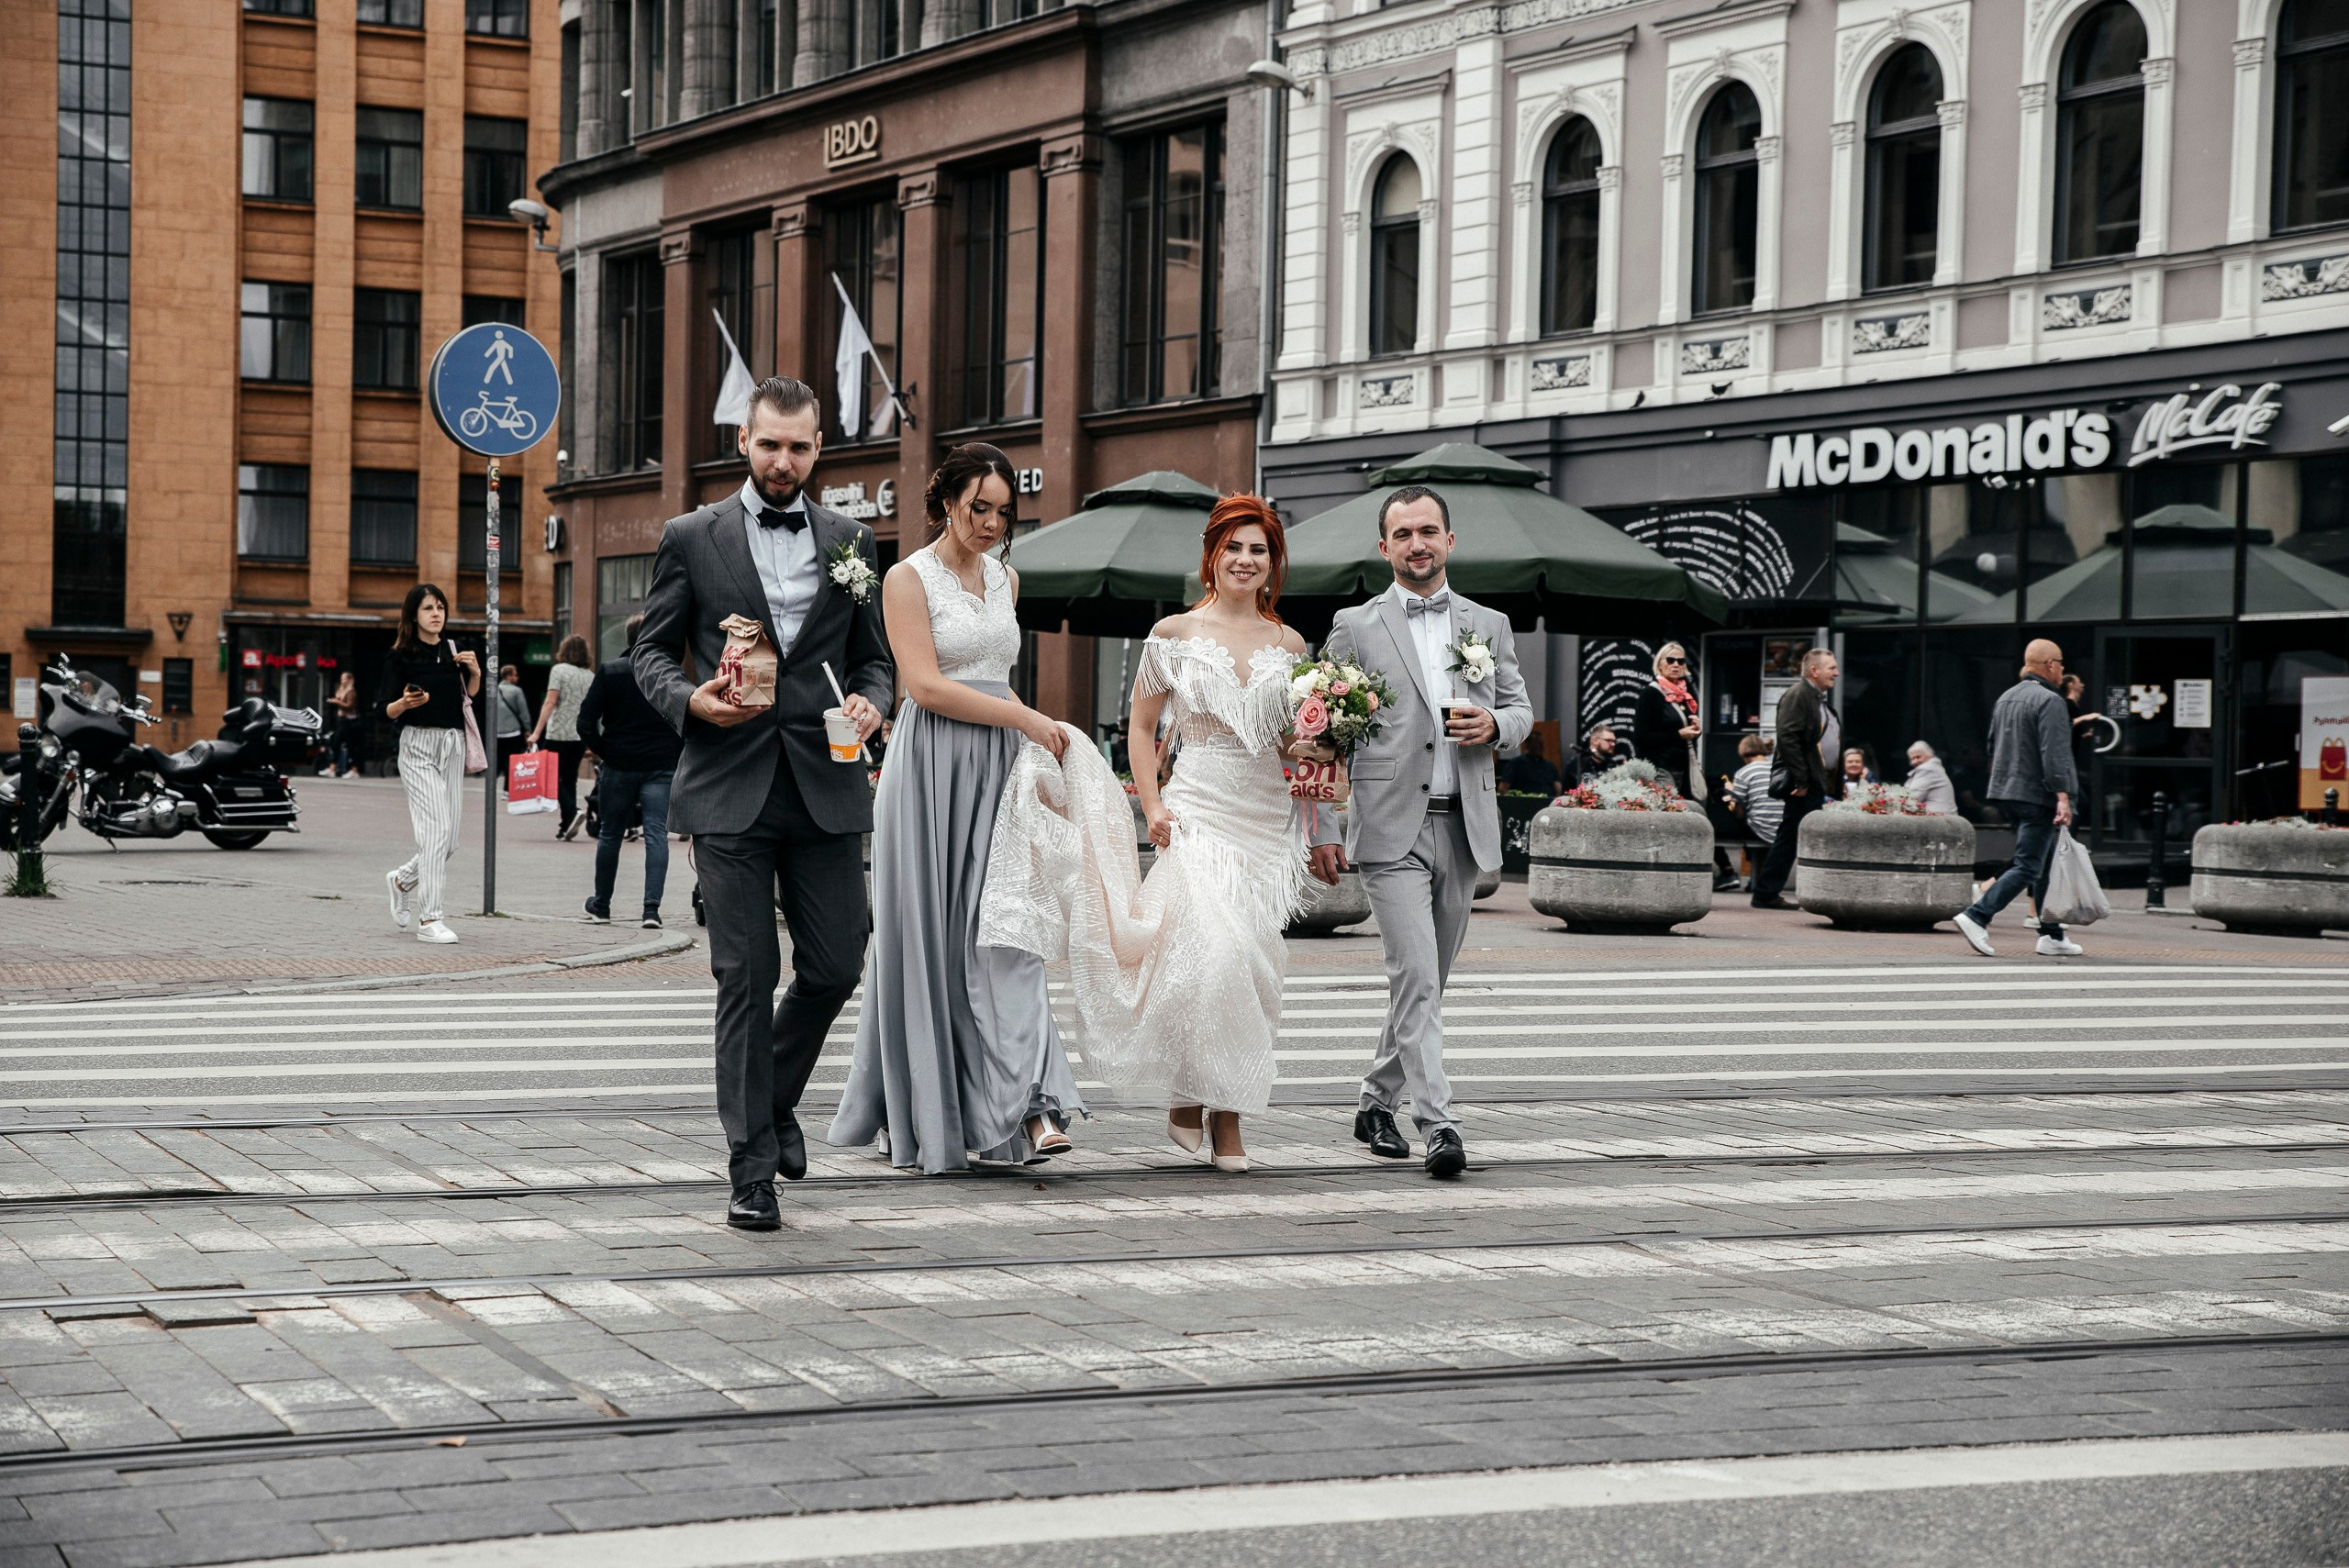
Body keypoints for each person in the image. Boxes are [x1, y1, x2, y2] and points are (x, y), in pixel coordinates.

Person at [982, 494, 1310, 1174]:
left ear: (1273, 562)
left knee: (1251, 967)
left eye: (1259, 548)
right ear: (1212, 556)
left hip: (1264, 817)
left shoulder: (1291, 645)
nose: (1246, 559)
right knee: (1214, 955)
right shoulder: (1172, 634)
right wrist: (1151, 804)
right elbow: (1140, 728)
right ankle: (1228, 1122)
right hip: (1198, 808)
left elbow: (1286, 737)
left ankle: (1193, 1094)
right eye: (1234, 546)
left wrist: (1320, 742)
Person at [632, 376, 891, 1233]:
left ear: (820, 449)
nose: (785, 461)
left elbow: (873, 658)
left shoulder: (854, 540)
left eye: (801, 447)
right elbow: (650, 654)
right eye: (771, 444)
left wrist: (871, 700)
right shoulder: (690, 537)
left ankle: (774, 1098)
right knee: (746, 976)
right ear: (744, 441)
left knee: (835, 966)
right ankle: (750, 1170)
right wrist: (689, 701)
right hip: (727, 787)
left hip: (826, 783)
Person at [829, 444, 1086, 1173]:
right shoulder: (907, 578)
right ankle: (920, 1106)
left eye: (1003, 512)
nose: (991, 522)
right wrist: (1027, 719)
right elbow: (925, 685)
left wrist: (1030, 737)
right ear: (946, 501)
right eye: (980, 508)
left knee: (1010, 929)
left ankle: (1029, 1105)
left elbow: (999, 676)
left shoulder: (1008, 576)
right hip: (935, 762)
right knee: (932, 938)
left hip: (1001, 767)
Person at [1308, 485, 1532, 1178]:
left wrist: (1497, 725)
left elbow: (1520, 706)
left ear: (1450, 540)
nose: (1417, 544)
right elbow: (1318, 731)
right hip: (1388, 828)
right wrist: (1319, 823)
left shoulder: (1488, 624)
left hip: (1465, 825)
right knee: (1414, 972)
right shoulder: (1355, 624)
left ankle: (1376, 1099)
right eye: (1403, 534)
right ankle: (1439, 1121)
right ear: (1384, 548)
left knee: (1428, 981)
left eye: (1428, 530)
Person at [1954, 639, 2083, 959]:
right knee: (2029, 866)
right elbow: (2054, 754)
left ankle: (2051, 934)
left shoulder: (2006, 698)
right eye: (2061, 663)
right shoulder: (2051, 701)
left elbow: (1991, 746)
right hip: (2038, 795)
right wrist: (2062, 796)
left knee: (2045, 862)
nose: (2063, 669)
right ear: (2051, 665)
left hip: (2006, 791)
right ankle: (1977, 915)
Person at [378, 584, 479, 945]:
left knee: (449, 841)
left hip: (451, 745)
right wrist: (404, 703)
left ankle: (402, 880)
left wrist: (475, 673)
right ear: (413, 615)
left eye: (440, 607)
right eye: (427, 609)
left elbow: (466, 699)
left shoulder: (454, 650)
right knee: (435, 832)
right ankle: (430, 918)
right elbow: (382, 710)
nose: (436, 614)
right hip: (418, 745)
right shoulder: (400, 656)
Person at [578, 614, 681, 930]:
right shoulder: (669, 675)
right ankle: (651, 910)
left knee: (610, 833)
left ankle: (602, 905)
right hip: (661, 766)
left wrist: (605, 750)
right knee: (656, 835)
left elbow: (585, 721)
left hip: (619, 764)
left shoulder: (610, 672)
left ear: (627, 639)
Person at [1751, 646, 1840, 910]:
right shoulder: (1799, 694)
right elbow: (1788, 737)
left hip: (1814, 781)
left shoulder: (1815, 697)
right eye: (1831, 667)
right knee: (1793, 835)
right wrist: (1801, 780)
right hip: (1805, 783)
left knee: (1792, 835)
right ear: (1814, 670)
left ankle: (1767, 892)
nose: (1836, 672)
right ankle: (1766, 893)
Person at [529, 636, 596, 839]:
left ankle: (572, 813)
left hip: (557, 733)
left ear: (564, 651)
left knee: (552, 779)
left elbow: (550, 702)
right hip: (578, 736)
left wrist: (536, 732)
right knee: (569, 778)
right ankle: (566, 823)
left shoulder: (558, 671)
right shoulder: (590, 675)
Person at [1631, 641, 1702, 796]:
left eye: (1681, 661)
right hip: (1659, 768)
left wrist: (1696, 731)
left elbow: (1685, 735)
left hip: (1683, 767)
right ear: (1660, 664)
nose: (1676, 665)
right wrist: (1678, 735)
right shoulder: (1650, 694)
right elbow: (1641, 737)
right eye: (1670, 660)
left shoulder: (1684, 695)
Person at [1729, 732, 1782, 856]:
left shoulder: (1743, 773)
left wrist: (1731, 791)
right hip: (1783, 829)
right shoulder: (1778, 768)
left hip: (1759, 829)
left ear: (1743, 753)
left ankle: (1750, 867)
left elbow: (1738, 812)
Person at [492, 664, 531, 785]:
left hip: (497, 732)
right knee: (512, 761)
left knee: (497, 760)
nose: (517, 677)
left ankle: (491, 786)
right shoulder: (517, 691)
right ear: (508, 676)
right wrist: (528, 730)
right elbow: (523, 712)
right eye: (515, 675)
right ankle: (507, 789)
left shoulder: (494, 689)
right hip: (513, 732)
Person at [1498, 729, 1563, 797]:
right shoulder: (1516, 764)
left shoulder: (1550, 766)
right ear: (1528, 746)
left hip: (1547, 803)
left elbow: (1558, 789)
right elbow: (1503, 789)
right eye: (1538, 744)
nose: (1542, 747)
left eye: (1542, 744)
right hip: (1525, 803)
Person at [327, 671, 365, 778]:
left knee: (348, 744)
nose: (342, 680)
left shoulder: (351, 691)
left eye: (344, 678)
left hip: (349, 721)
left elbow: (349, 706)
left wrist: (337, 702)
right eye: (341, 678)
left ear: (349, 680)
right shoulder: (342, 689)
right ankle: (333, 768)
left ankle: (353, 770)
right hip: (343, 720)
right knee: (337, 743)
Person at [1905, 740, 1958, 815]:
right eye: (1912, 759)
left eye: (1918, 757)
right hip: (1941, 819)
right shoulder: (1933, 768)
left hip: (1939, 821)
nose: (1914, 762)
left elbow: (1911, 798)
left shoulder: (1927, 769)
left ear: (1930, 756)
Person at [1572, 722, 1622, 786]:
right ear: (1595, 741)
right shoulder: (1579, 762)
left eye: (1614, 741)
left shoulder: (1612, 764)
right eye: (1609, 740)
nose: (1613, 744)